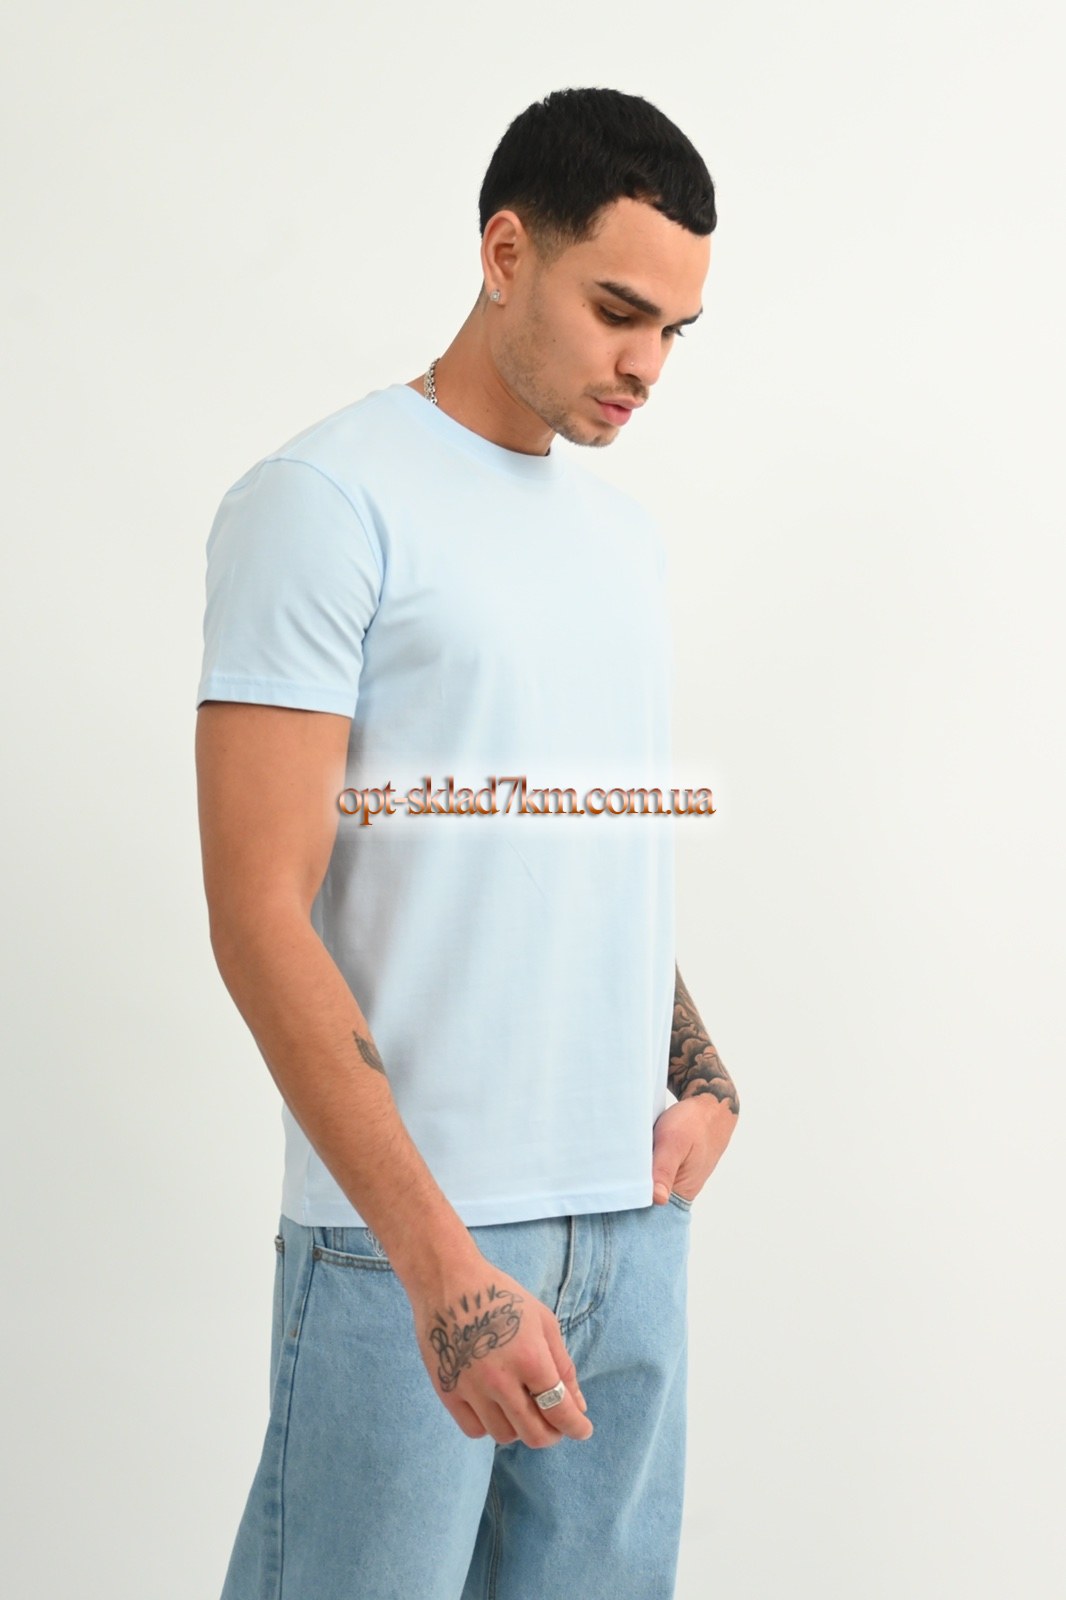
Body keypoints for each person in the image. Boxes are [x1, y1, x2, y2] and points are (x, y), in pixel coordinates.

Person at [195, 85, 740, 1600]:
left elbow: (571, 851)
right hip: (410, 1247)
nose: (645, 366)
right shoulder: (325, 501)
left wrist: (698, 1074)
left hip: (629, 1226)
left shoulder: (620, 541)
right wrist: (442, 1269)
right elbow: (256, 911)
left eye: (674, 331)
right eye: (616, 310)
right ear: (505, 253)